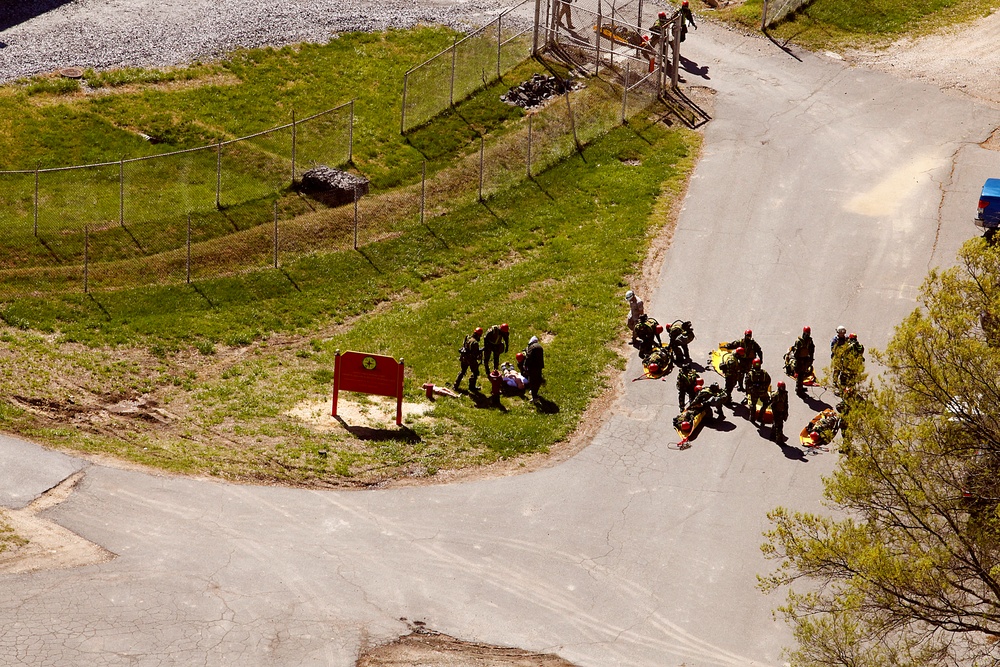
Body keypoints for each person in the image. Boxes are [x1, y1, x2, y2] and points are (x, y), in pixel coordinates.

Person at [455, 327, 484, 391]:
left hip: (464, 358)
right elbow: (475, 354)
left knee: (462, 372)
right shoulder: (475, 343)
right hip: (471, 360)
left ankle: (456, 385)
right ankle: (472, 387)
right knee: (475, 373)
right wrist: (481, 350)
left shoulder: (468, 339)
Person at [789, 326, 815, 393]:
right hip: (800, 360)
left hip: (806, 359)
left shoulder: (809, 340)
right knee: (800, 375)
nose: (807, 334)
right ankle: (798, 390)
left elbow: (812, 349)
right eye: (806, 333)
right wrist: (798, 360)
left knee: (803, 374)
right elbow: (796, 352)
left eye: (808, 333)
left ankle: (801, 387)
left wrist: (810, 359)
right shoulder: (799, 342)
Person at [745, 358, 771, 425]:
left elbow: (747, 383)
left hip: (754, 393)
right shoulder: (764, 373)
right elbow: (769, 380)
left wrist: (749, 391)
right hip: (763, 393)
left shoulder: (750, 374)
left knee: (753, 405)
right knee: (766, 403)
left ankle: (752, 418)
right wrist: (764, 388)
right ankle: (760, 416)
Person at [523, 335, 545, 402]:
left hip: (532, 367)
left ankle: (534, 397)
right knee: (538, 380)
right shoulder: (540, 347)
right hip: (539, 366)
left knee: (532, 381)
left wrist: (525, 365)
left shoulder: (532, 347)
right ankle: (535, 392)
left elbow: (528, 357)